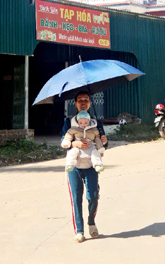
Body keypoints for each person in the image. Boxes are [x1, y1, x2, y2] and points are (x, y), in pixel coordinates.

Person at [61, 91, 108, 242]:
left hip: (91, 164)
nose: (83, 102)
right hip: (74, 165)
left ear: (89, 103)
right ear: (75, 103)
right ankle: (79, 231)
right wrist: (75, 143)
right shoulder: (69, 122)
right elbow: (64, 140)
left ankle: (91, 222)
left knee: (93, 195)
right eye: (80, 100)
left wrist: (104, 141)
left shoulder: (96, 122)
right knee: (76, 197)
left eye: (86, 100)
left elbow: (102, 144)